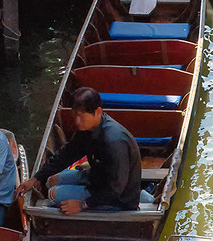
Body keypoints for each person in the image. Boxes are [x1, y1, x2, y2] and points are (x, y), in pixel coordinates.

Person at [15, 87, 143, 215]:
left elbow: (116, 188)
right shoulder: (87, 129)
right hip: (97, 176)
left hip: (117, 200)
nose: (77, 121)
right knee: (51, 180)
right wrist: (37, 177)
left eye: (82, 116)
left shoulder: (114, 141)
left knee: (52, 193)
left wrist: (82, 204)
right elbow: (67, 154)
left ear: (97, 112)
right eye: (74, 115)